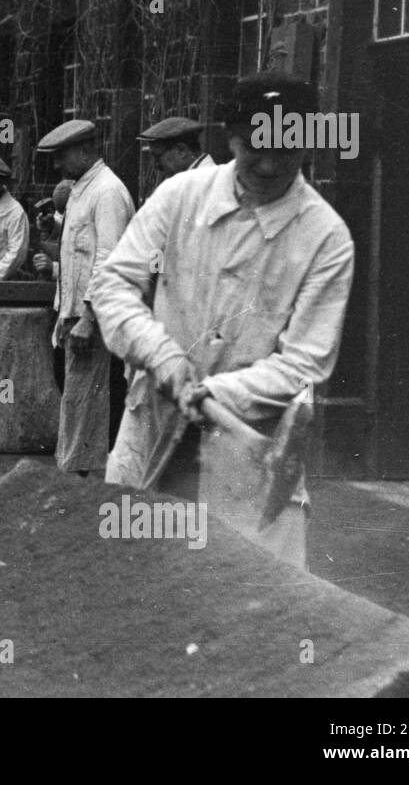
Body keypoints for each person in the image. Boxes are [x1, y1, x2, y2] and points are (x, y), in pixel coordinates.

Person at [90, 73, 354, 560]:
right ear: (231, 137)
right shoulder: (180, 196)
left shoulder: (326, 238)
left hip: (251, 446)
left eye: (287, 148)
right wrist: (161, 354)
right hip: (153, 419)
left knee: (248, 606)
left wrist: (215, 393)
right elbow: (113, 283)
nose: (271, 163)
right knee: (134, 590)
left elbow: (305, 363)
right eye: (256, 145)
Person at [34, 119, 134, 474]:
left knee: (87, 402)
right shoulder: (82, 189)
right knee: (75, 401)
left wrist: (89, 320)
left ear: (85, 150)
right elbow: (82, 246)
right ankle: (77, 476)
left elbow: (109, 259)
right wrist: (57, 229)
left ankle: (80, 481)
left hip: (95, 317)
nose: (58, 165)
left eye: (62, 156)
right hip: (73, 313)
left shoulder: (108, 191)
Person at [139, 116, 214, 180]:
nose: (156, 165)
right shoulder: (195, 178)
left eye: (157, 157)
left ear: (181, 151)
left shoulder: (203, 182)